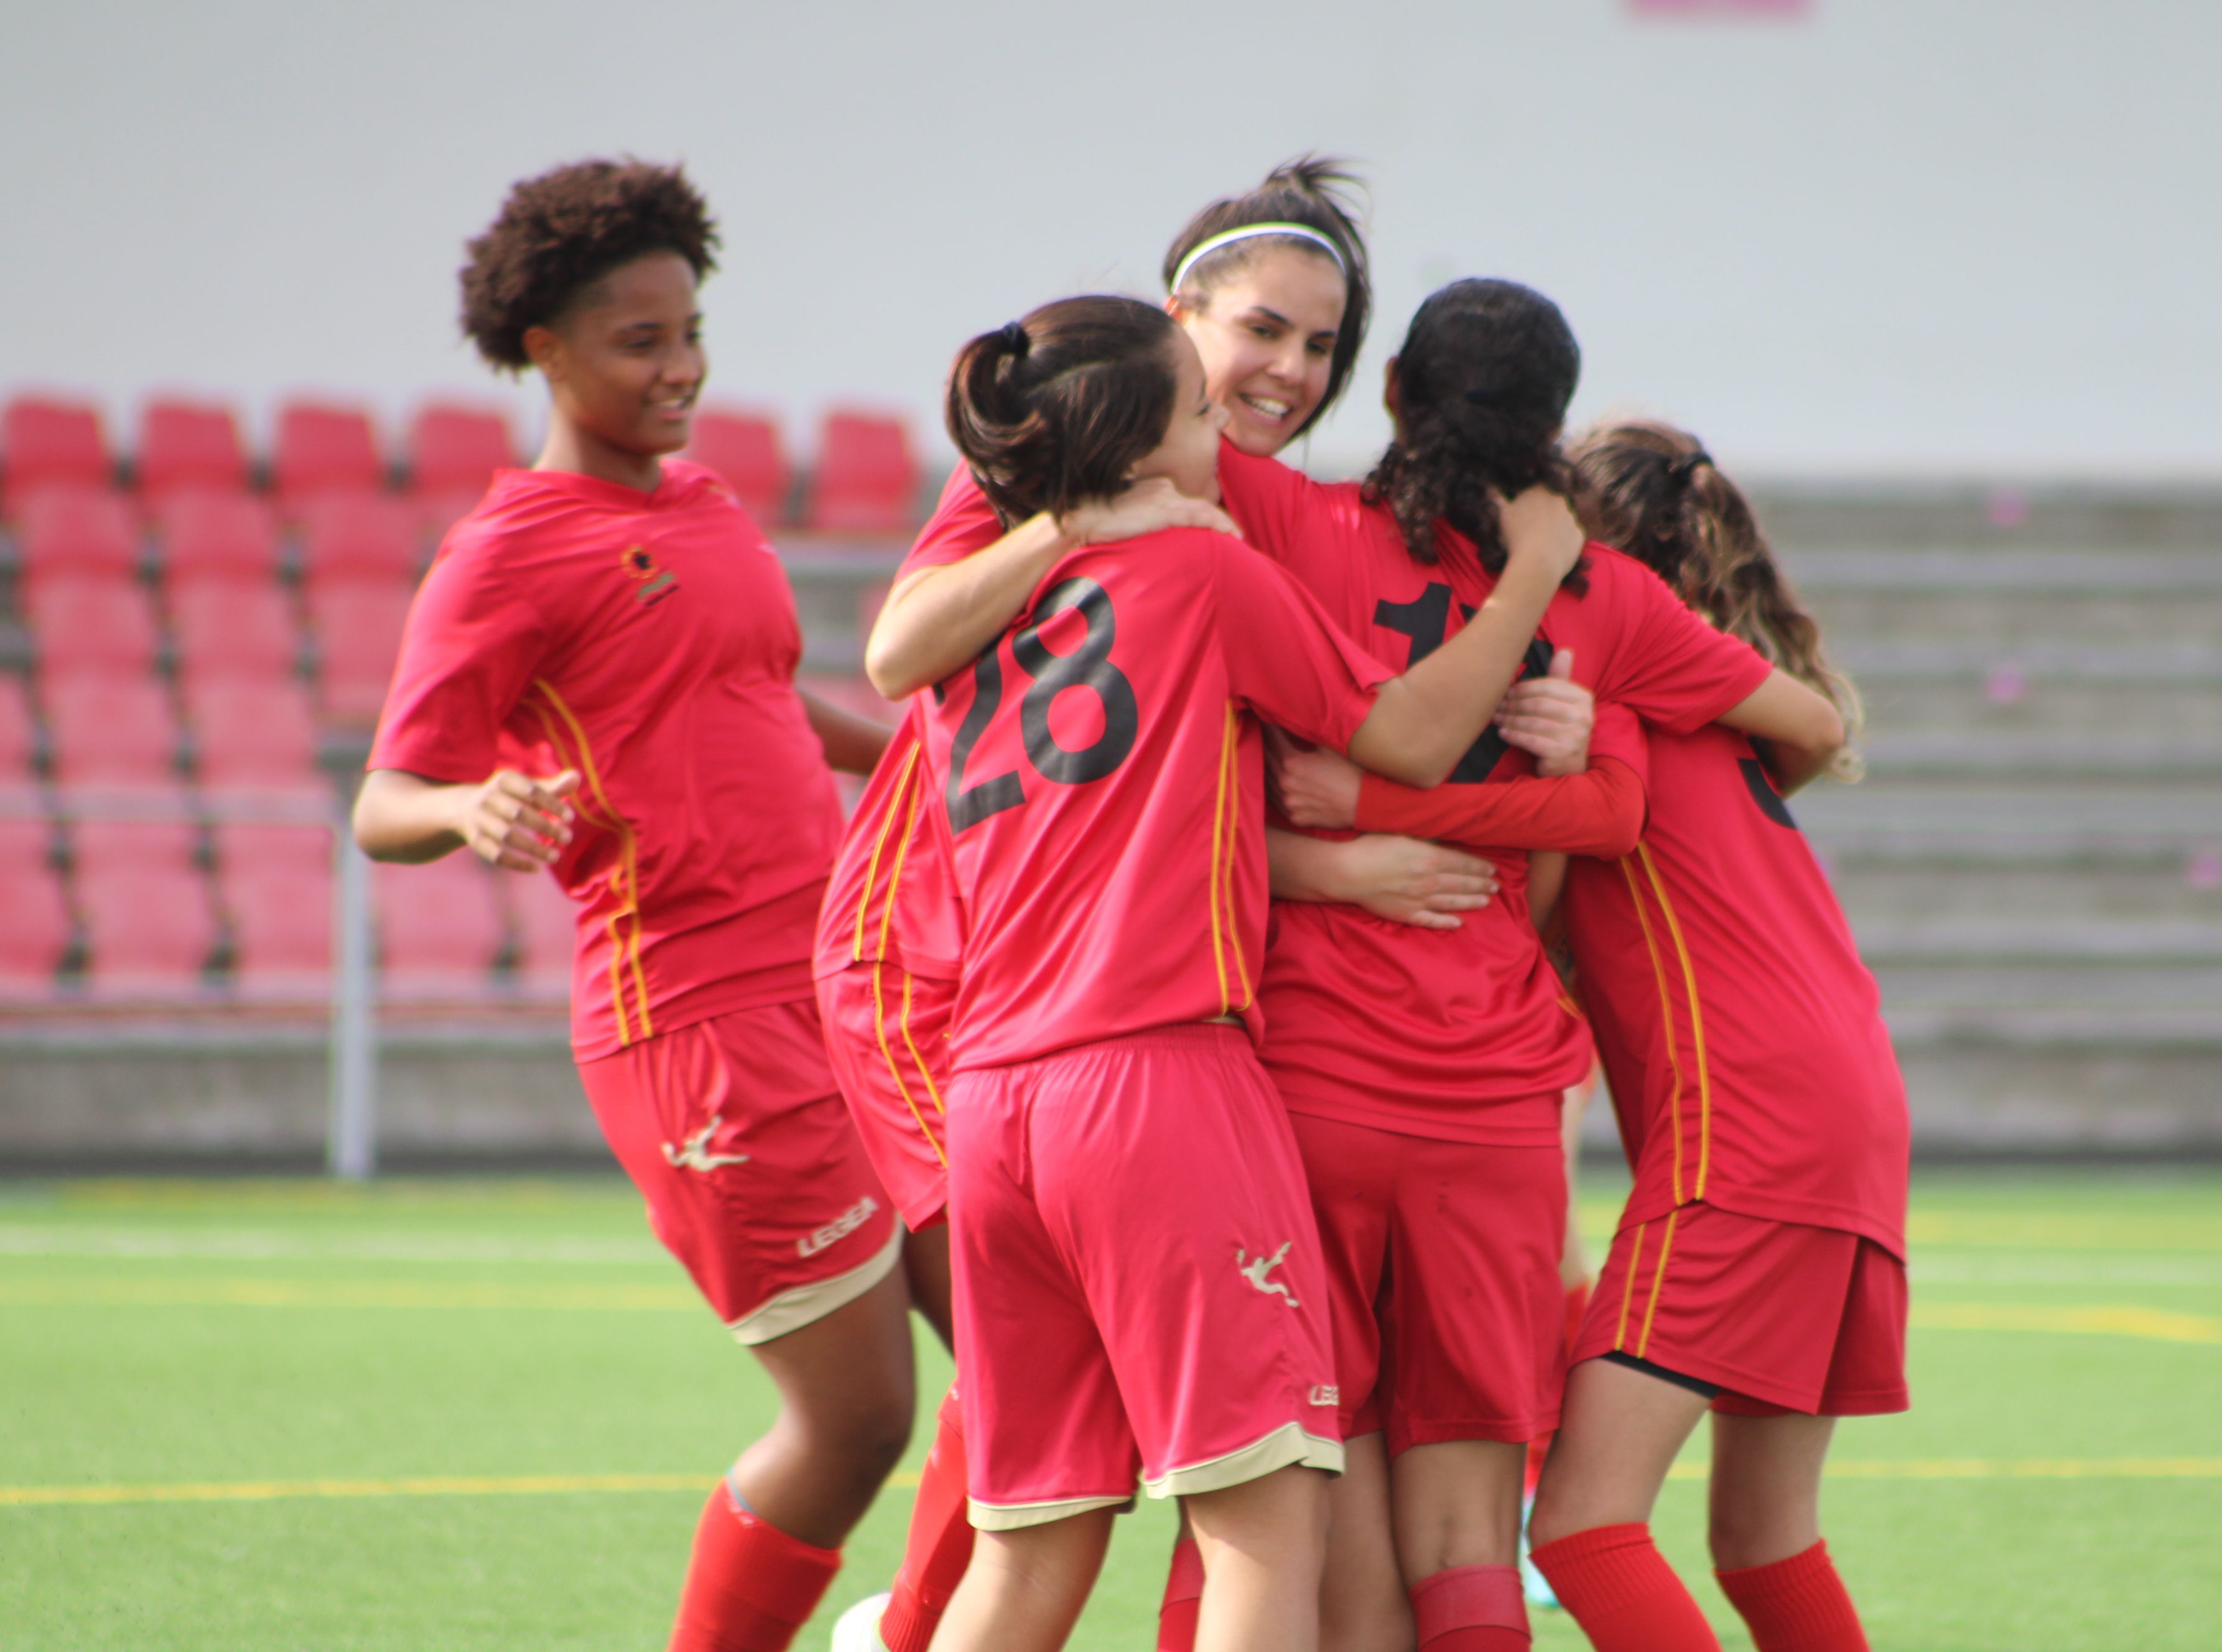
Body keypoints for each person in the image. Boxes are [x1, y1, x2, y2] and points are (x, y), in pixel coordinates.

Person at [872, 276, 1833, 1652]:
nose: (1247, 421)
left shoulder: (991, 620)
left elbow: (896, 648)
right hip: (1213, 1086)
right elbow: (1460, 749)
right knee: (1311, 1532)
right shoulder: (1246, 562)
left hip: (1024, 1093)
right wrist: (1573, 674)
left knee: (1040, 1555)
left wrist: (1331, 842)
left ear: (1386, 390)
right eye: (1212, 399)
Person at [823, 158, 1517, 1652]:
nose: (1273, 387)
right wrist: (1532, 616)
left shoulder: (1019, 573)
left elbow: (937, 682)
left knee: (1032, 1546)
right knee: (1269, 1535)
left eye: (1321, 347)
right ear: (1167, 341)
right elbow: (1389, 735)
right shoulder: (1199, 561)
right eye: (1240, 355)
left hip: (998, 1089)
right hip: (1147, 1074)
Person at [352, 159, 913, 1652]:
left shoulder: (707, 503)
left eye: (691, 330)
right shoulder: (505, 553)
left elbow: (760, 695)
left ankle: (916, 1630)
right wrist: (471, 806)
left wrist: (939, 755)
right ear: (544, 350)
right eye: (640, 342)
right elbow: (383, 798)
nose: (683, 369)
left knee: (1042, 1355)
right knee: (859, 1421)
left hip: (851, 983)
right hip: (697, 1021)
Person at [1290, 421, 1900, 1652]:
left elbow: (1544, 873)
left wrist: (1346, 819)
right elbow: (1815, 735)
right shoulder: (1712, 705)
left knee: (1577, 1526)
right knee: (1766, 1536)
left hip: (1748, 1123)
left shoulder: (1601, 690)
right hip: (1852, 1108)